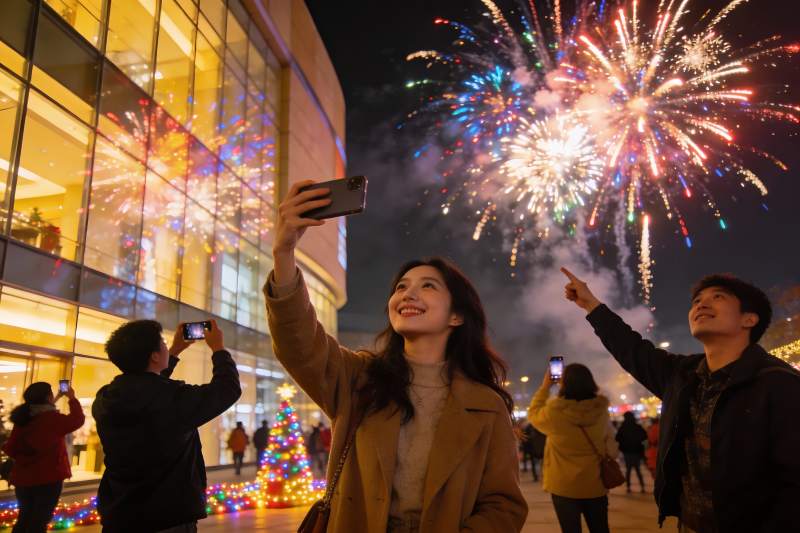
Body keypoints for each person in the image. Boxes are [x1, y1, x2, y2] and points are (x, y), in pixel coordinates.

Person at [263, 180, 528, 532]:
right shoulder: (359, 379)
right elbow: (299, 343)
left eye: (427, 286)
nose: (408, 294)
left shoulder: (486, 404)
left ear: (456, 316)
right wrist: (284, 253)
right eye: (401, 287)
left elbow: (504, 505)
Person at [561, 268, 800, 532]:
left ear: (749, 319)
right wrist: (591, 304)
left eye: (718, 297)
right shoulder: (683, 376)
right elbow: (632, 349)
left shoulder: (779, 384)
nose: (701, 304)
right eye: (697, 300)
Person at [93, 319, 241, 533]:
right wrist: (218, 348)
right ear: (154, 356)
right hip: (167, 517)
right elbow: (227, 389)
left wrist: (174, 351)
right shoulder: (172, 399)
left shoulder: (105, 399)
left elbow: (147, 389)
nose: (165, 345)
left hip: (119, 515)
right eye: (162, 343)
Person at [528, 363, 617, 533]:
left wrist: (545, 386)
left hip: (563, 486)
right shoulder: (601, 411)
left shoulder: (554, 413)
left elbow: (533, 413)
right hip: (595, 483)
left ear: (563, 383)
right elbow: (610, 442)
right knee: (600, 529)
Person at [3, 382, 84, 533]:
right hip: (48, 478)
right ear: (47, 397)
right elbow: (77, 419)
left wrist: (58, 397)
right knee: (39, 521)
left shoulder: (23, 419)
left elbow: (11, 448)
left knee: (25, 517)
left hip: (23, 478)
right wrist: (71, 398)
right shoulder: (53, 419)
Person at [615, 411, 647, 493]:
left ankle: (628, 487)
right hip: (637, 451)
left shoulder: (623, 427)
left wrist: (624, 443)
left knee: (628, 470)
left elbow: (617, 438)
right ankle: (642, 487)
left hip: (627, 452)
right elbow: (644, 436)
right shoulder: (637, 427)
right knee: (638, 469)